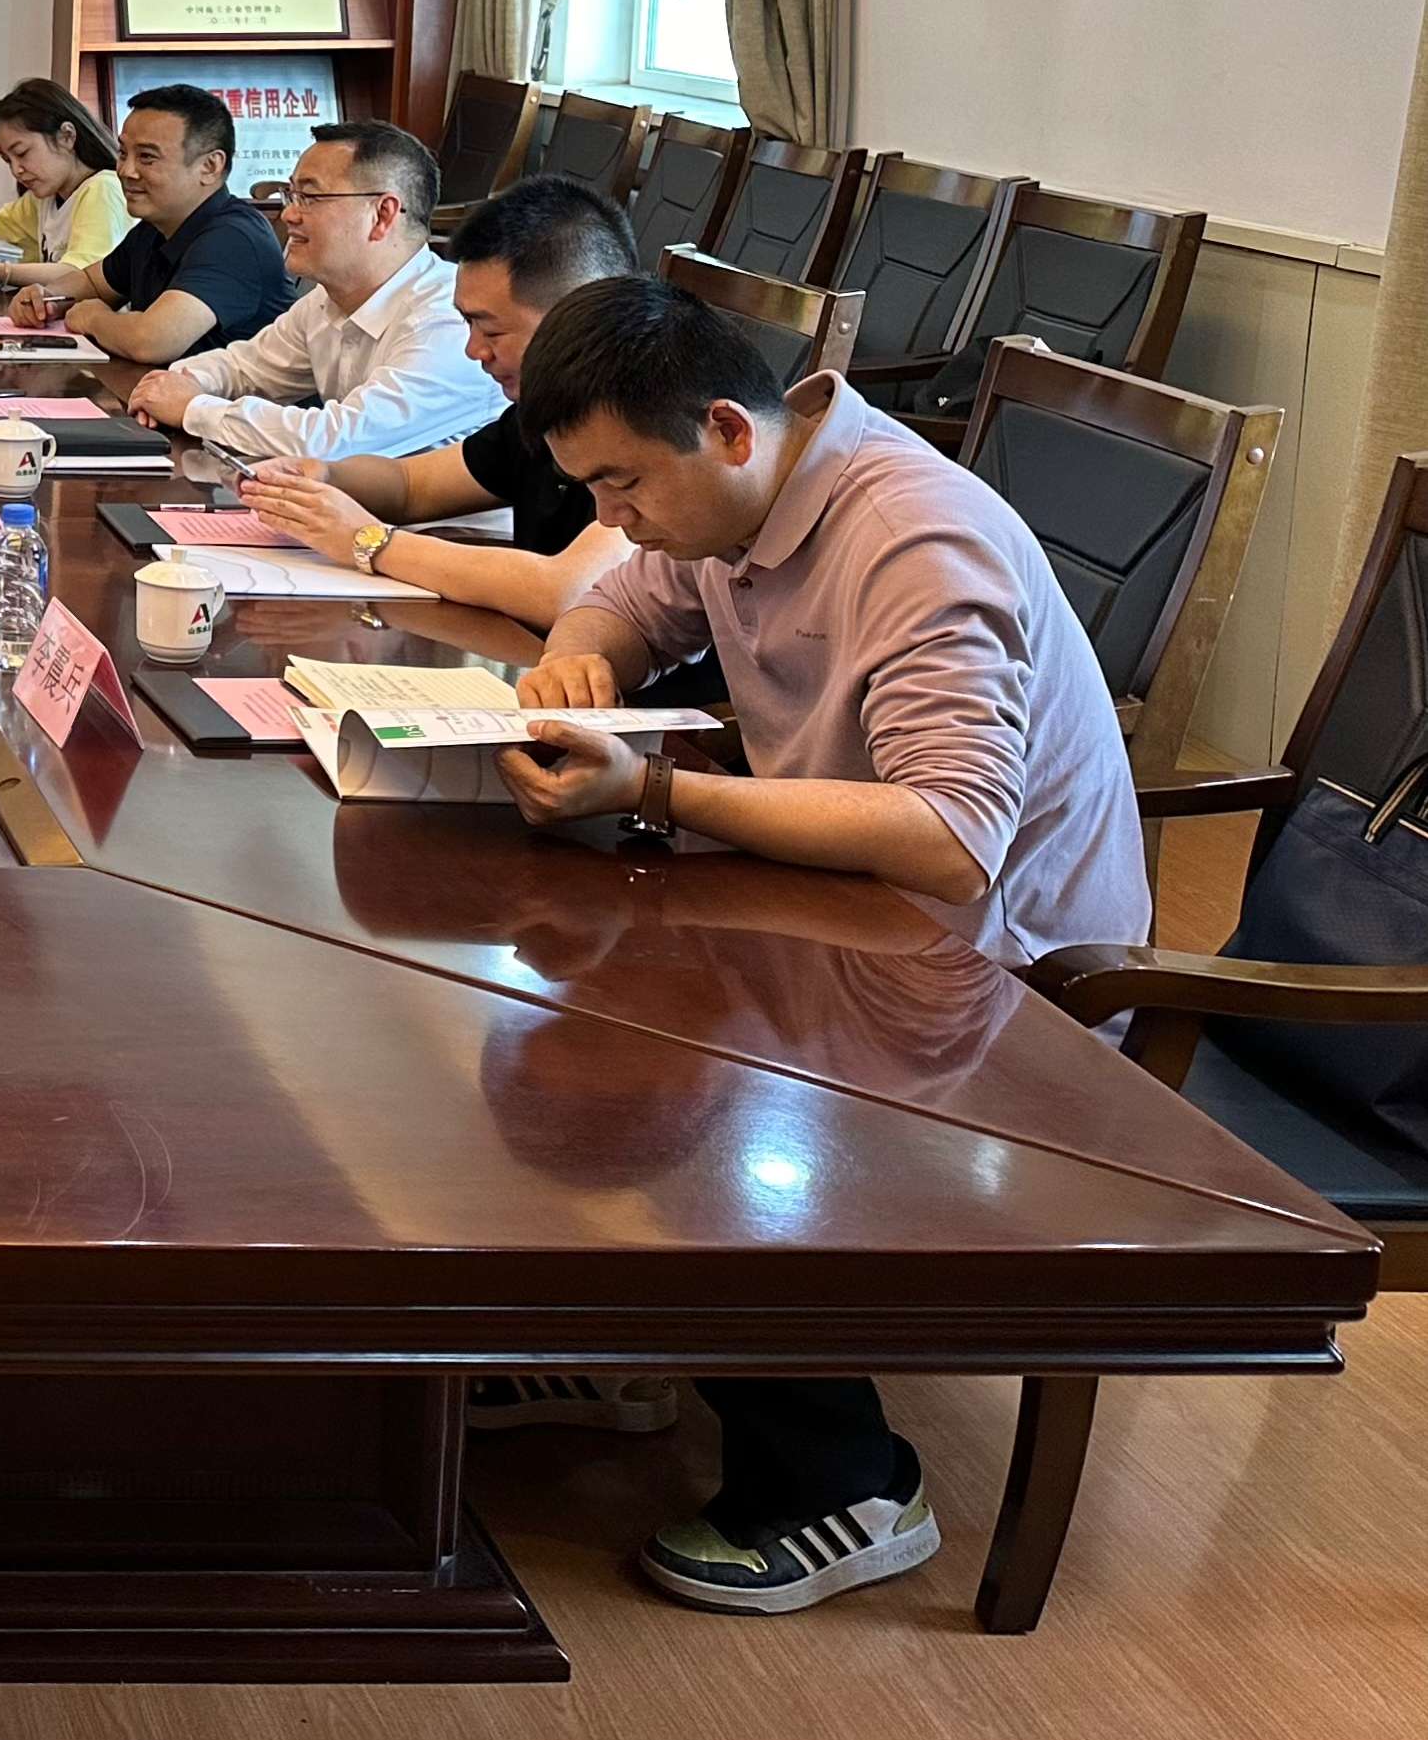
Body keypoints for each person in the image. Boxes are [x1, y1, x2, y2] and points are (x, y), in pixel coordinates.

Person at [491, 274, 1150, 1617]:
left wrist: (658, 789)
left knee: (668, 1083)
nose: (609, 518)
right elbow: (628, 600)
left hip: (1007, 988)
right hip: (848, 916)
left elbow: (953, 836)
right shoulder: (743, 489)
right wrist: (582, 654)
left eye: (621, 483)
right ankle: (633, 1337)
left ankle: (846, 1485)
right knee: (558, 1000)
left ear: (727, 428)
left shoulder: (912, 537)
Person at [231, 174, 639, 627]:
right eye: (468, 325)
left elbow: (567, 590)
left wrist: (368, 541)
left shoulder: (648, 416)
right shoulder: (543, 413)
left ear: (576, 313)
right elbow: (412, 487)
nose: (474, 350)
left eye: (492, 331)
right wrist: (323, 475)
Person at [124, 120, 501, 461]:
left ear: (382, 215)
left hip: (441, 518)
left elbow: (338, 441)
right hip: (350, 507)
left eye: (310, 198)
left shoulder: (450, 319)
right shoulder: (327, 300)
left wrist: (193, 409)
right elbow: (245, 369)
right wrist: (182, 383)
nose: (288, 214)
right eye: (290, 196)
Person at [5, 81, 293, 361]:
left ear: (209, 166)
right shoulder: (154, 227)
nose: (126, 171)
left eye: (146, 157)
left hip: (235, 396)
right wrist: (45, 298)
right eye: (123, 153)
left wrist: (93, 318)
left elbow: (151, 341)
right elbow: (93, 283)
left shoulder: (235, 238)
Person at [0, 78, 125, 288]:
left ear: (67, 136)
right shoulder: (44, 199)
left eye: (22, 153)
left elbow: (83, 276)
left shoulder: (103, 189)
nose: (16, 170)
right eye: (8, 160)